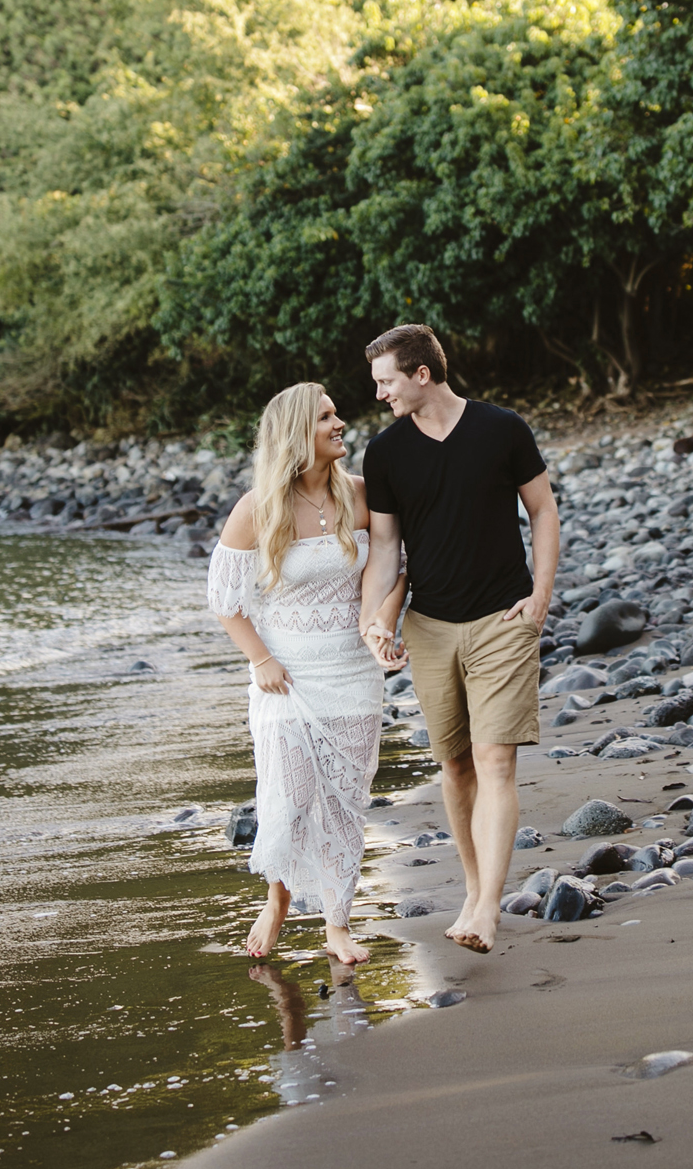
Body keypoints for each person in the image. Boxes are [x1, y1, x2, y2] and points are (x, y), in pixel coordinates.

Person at [357, 324, 559, 954]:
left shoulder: (502, 429)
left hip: (503, 620)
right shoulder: (385, 454)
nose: (381, 394)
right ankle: (473, 890)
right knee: (455, 764)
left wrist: (540, 598)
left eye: (387, 381)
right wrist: (374, 621)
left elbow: (543, 511)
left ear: (422, 374)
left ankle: (489, 909)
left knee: (497, 759)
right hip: (430, 625)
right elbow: (386, 547)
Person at [209, 382, 406, 964]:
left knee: (344, 801)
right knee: (289, 796)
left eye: (336, 414)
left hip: (351, 673)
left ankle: (338, 923)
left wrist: (381, 627)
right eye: (326, 417)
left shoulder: (363, 496)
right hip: (286, 679)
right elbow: (226, 599)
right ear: (297, 433)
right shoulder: (258, 507)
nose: (340, 422)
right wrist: (261, 660)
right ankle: (277, 900)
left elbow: (395, 571)